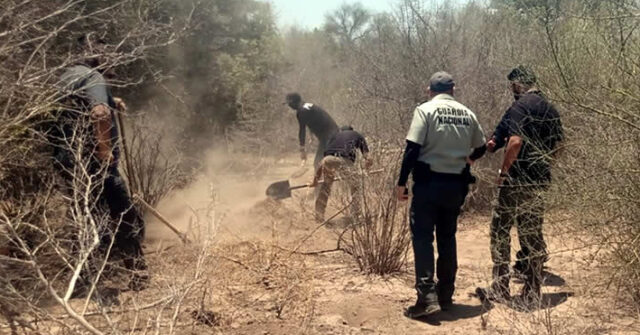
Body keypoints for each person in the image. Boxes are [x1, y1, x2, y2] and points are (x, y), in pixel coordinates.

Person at [51, 34, 148, 294]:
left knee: (85, 218)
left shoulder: (64, 77)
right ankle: (137, 273)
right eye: (104, 54)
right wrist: (105, 152)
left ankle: (82, 283)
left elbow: (75, 106)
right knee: (125, 215)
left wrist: (110, 99)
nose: (108, 59)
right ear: (95, 56)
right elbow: (99, 113)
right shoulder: (94, 77)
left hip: (68, 163)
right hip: (96, 165)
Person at [396, 72, 487, 318]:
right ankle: (445, 294)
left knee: (423, 238)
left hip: (428, 184)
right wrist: (470, 158)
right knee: (448, 238)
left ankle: (426, 297)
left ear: (430, 91)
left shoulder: (425, 110)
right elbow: (481, 146)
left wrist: (401, 183)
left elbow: (412, 148)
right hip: (456, 186)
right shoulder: (467, 113)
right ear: (453, 90)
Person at [476, 66, 564, 306]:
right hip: (538, 181)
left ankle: (501, 287)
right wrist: (544, 166)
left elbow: (514, 142)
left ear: (517, 85)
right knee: (531, 234)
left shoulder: (520, 107)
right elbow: (560, 146)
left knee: (500, 230)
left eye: (513, 86)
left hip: (516, 181)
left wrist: (503, 173)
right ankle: (533, 289)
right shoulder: (551, 109)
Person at [309, 126, 370, 222]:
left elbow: (323, 162)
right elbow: (368, 158)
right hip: (345, 161)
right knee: (355, 187)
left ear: (341, 131)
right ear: (352, 130)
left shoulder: (335, 136)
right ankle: (355, 216)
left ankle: (319, 216)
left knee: (326, 186)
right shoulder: (357, 135)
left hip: (329, 160)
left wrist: (315, 182)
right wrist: (365, 170)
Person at [286, 93, 339, 170]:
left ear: (293, 102)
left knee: (318, 163)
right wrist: (312, 136)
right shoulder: (308, 105)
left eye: (289, 104)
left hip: (328, 137)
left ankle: (323, 181)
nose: (289, 106)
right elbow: (314, 119)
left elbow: (302, 130)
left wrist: (302, 148)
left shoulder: (301, 111)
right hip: (334, 133)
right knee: (325, 162)